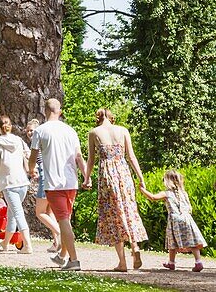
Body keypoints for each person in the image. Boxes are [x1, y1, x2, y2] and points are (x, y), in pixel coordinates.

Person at [83, 107, 147, 272]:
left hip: (107, 176)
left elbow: (91, 160)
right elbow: (131, 157)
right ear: (112, 117)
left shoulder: (94, 133)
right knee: (128, 210)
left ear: (98, 117)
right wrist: (140, 178)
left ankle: (122, 263)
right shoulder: (123, 130)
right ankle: (135, 247)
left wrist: (86, 178)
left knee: (113, 214)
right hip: (124, 173)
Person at [28, 97, 88, 272]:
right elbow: (79, 156)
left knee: (63, 221)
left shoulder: (40, 131)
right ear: (60, 111)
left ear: (45, 111)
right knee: (65, 220)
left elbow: (33, 156)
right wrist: (86, 176)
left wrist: (31, 169)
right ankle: (61, 256)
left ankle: (74, 260)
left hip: (53, 184)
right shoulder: (70, 130)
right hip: (71, 182)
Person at [140, 170, 206, 273]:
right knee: (192, 241)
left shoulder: (166, 193)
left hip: (175, 220)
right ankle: (198, 262)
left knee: (172, 242)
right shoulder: (184, 193)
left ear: (167, 181)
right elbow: (190, 207)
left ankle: (171, 262)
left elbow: (153, 197)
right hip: (187, 218)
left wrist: (143, 190)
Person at [0, 114, 33, 253]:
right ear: (10, 126)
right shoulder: (18, 140)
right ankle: (6, 243)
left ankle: (28, 245)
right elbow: (29, 153)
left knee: (17, 213)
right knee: (12, 213)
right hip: (22, 182)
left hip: (9, 184)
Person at [26, 118, 60, 254]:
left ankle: (62, 234)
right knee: (50, 212)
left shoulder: (37, 144)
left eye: (32, 130)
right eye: (28, 131)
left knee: (40, 212)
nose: (29, 133)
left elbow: (38, 162)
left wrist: (32, 168)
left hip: (45, 178)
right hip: (51, 177)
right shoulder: (38, 143)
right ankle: (57, 242)